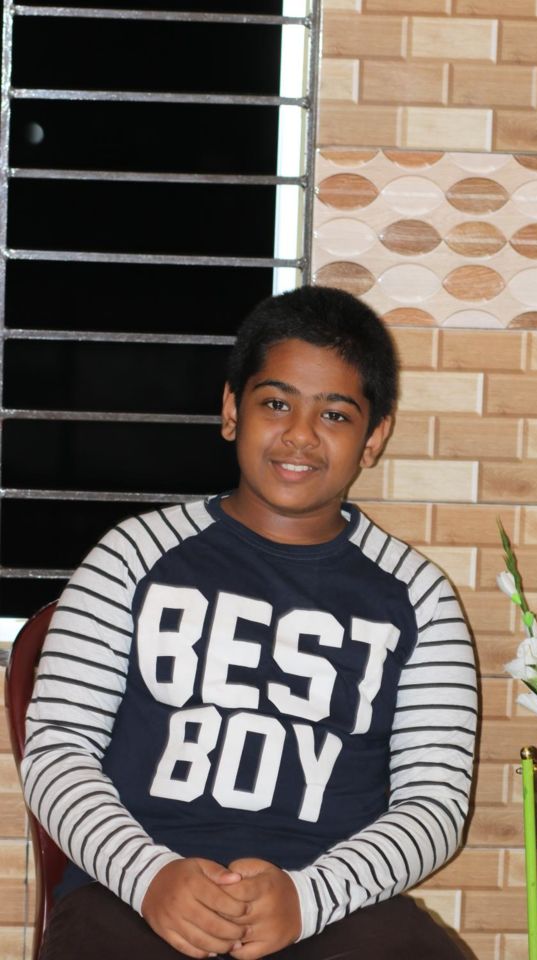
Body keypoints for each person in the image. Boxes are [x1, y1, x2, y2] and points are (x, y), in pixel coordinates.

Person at [23, 285, 478, 960]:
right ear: (232, 410)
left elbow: (435, 804)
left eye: (335, 414)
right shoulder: (131, 555)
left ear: (374, 437)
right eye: (276, 403)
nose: (301, 434)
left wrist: (308, 898)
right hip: (137, 898)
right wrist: (149, 877)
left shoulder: (420, 597)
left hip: (331, 907)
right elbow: (58, 751)